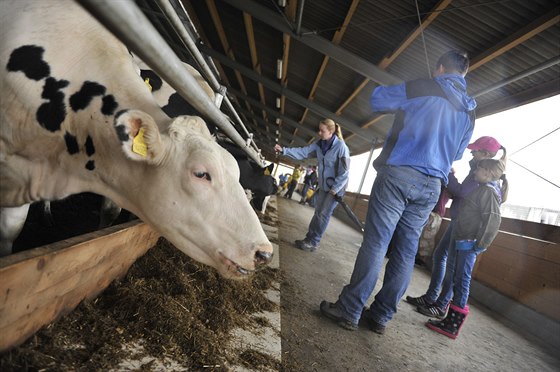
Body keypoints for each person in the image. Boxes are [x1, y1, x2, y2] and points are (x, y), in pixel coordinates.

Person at [319, 50, 476, 334]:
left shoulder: (423, 86)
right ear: (463, 74)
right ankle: (380, 316)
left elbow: (378, 99)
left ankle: (349, 308)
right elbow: (457, 153)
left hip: (400, 172)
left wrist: (408, 95)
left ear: (440, 68)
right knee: (406, 251)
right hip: (432, 186)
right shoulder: (469, 111)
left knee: (377, 243)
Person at [406, 136, 505, 309]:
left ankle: (441, 304)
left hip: (463, 225)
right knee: (440, 256)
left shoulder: (482, 175)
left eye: (475, 150)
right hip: (458, 220)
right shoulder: (478, 171)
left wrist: (449, 175)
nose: (472, 153)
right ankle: (432, 298)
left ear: (486, 154)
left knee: (452, 265)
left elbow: (461, 192)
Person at [425, 153, 508, 339]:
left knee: (462, 281)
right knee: (458, 278)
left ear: (487, 172)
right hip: (464, 241)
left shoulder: (489, 192)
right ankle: (449, 319)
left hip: (469, 244)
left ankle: (452, 325)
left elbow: (493, 221)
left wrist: (480, 245)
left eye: (478, 168)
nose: (475, 171)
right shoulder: (483, 188)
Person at [274, 118, 350, 252]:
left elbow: (345, 172)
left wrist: (335, 188)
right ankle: (309, 238)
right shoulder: (319, 145)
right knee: (317, 212)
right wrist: (284, 150)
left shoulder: (341, 147)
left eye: (322, 131)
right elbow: (303, 152)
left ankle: (314, 242)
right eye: (319, 130)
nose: (319, 133)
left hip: (337, 188)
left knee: (323, 214)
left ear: (331, 132)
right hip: (324, 186)